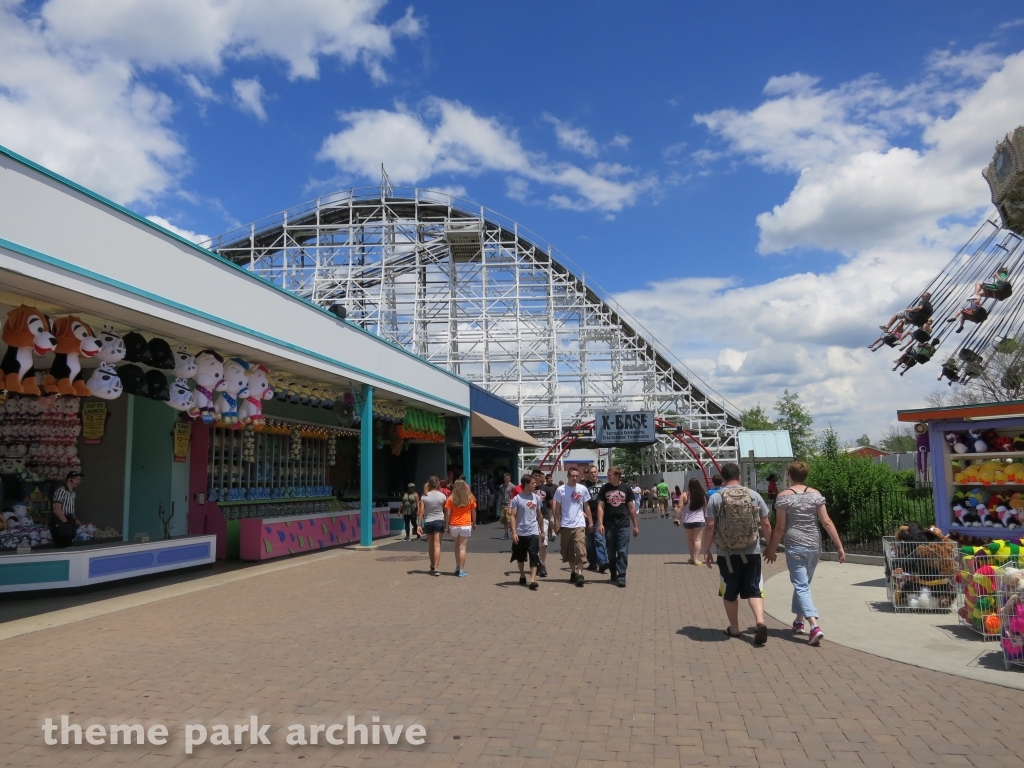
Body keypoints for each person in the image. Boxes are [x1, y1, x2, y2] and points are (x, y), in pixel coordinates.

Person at [764, 461, 846, 646]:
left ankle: (814, 626)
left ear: (790, 476)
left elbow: (780, 527)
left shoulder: (784, 497)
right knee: (804, 584)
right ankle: (799, 621)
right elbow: (826, 521)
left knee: (801, 585)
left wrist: (771, 548)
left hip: (795, 545)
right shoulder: (816, 495)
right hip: (814, 545)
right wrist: (839, 546)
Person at [702, 462, 772, 645]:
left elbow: (710, 526)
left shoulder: (716, 498)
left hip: (727, 553)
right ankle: (760, 621)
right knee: (754, 588)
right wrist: (770, 546)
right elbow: (765, 523)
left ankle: (734, 628)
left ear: (722, 478)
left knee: (729, 591)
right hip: (752, 550)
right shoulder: (753, 495)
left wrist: (707, 550)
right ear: (739, 477)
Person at [597, 467, 639, 588]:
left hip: (623, 524)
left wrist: (635, 525)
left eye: (610, 475)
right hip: (609, 524)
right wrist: (600, 523)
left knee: (622, 551)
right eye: (608, 474)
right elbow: (600, 506)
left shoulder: (626, 488)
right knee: (610, 551)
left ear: (617, 475)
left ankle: (622, 575)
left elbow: (631, 507)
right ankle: (613, 570)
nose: (608, 476)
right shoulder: (605, 488)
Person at [552, 466, 592, 587]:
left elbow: (587, 506)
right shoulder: (560, 490)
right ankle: (573, 572)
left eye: (577, 476)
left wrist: (590, 521)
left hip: (579, 523)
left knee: (580, 548)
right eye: (573, 476)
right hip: (566, 524)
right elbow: (557, 508)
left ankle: (580, 574)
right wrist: (556, 522)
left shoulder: (582, 489)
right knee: (568, 550)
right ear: (568, 477)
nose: (575, 478)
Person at [509, 474, 544, 590]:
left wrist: (542, 531)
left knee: (534, 555)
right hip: (520, 532)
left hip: (533, 531)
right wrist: (514, 532)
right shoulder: (517, 499)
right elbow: (513, 516)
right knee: (520, 557)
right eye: (533, 483)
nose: (535, 485)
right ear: (526, 484)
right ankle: (522, 575)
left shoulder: (537, 498)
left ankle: (533, 580)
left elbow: (539, 515)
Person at [444, 479, 477, 577]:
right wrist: (474, 523)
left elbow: (448, 513)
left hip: (454, 525)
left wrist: (447, 526)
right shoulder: (470, 498)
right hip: (466, 525)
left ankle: (457, 566)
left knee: (456, 546)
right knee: (462, 548)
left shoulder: (451, 498)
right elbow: (473, 512)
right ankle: (462, 570)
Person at [417, 476, 447, 576]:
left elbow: (421, 511)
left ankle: (432, 565)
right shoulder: (442, 496)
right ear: (438, 484)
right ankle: (437, 568)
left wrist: (419, 525)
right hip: (439, 520)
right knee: (437, 545)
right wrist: (447, 522)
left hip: (428, 521)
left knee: (431, 545)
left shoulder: (424, 496)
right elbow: (445, 510)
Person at [674, 478, 706, 565]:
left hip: (687, 520)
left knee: (690, 539)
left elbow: (680, 507)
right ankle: (697, 559)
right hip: (699, 520)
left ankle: (691, 557)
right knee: (698, 539)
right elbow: (705, 507)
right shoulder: (702, 494)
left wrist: (676, 518)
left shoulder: (684, 495)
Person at [583, 464, 608, 573]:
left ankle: (602, 561)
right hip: (588, 516)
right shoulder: (583, 486)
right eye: (591, 472)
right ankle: (592, 562)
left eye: (595, 472)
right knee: (589, 541)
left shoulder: (603, 485)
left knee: (599, 538)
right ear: (587, 474)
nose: (594, 474)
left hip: (600, 516)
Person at [49, 471, 82, 549]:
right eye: (76, 479)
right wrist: (65, 523)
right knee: (65, 546)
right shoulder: (61, 491)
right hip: (60, 519)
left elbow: (70, 507)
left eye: (79, 479)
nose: (78, 481)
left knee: (68, 543)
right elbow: (57, 509)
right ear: (70, 479)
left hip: (69, 518)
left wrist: (75, 518)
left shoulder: (73, 492)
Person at [542, 473, 558, 543]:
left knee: (552, 520)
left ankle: (553, 532)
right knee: (548, 521)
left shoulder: (555, 486)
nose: (551, 479)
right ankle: (551, 532)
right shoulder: (545, 487)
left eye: (551, 478)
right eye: (549, 478)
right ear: (546, 479)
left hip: (554, 506)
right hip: (547, 507)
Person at [498, 473, 515, 540]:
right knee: (504, 520)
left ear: (510, 478)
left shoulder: (513, 486)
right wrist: (499, 503)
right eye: (505, 478)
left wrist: (512, 505)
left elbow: (514, 496)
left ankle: (513, 533)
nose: (506, 479)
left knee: (510, 520)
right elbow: (501, 495)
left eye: (507, 478)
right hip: (503, 505)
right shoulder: (501, 486)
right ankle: (506, 534)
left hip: (509, 505)